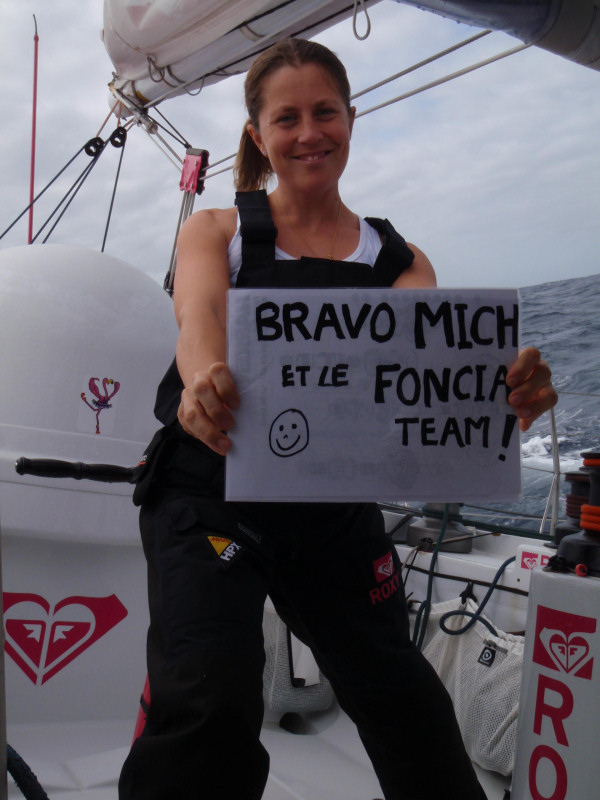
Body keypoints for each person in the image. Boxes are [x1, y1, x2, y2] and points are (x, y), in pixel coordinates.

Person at [118, 38, 557, 800]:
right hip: (209, 492)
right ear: (258, 135)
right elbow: (198, 320)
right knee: (212, 697)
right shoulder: (216, 232)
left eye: (325, 112)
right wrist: (202, 383)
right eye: (286, 118)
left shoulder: (398, 258)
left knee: (405, 699)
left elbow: (436, 378)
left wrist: (503, 396)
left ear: (353, 118)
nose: (309, 132)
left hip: (328, 506)